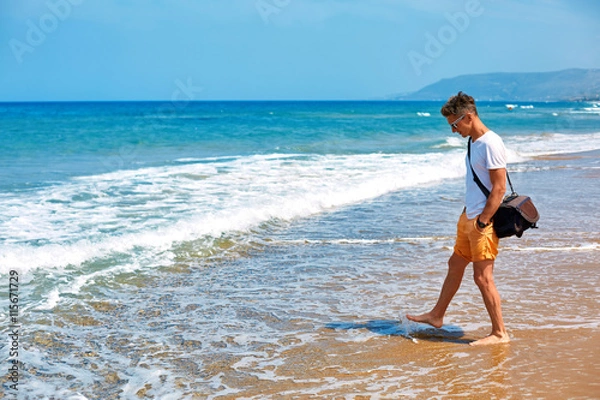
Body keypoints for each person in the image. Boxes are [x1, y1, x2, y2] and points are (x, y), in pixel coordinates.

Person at [407, 91, 510, 346]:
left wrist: (484, 220)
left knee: (483, 278)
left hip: (482, 222)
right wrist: (469, 216)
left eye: (455, 124)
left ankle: (500, 333)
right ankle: (437, 315)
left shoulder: (491, 143)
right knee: (455, 264)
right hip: (469, 217)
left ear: (469, 116)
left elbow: (499, 188)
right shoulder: (473, 142)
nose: (453, 130)